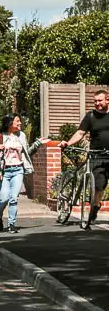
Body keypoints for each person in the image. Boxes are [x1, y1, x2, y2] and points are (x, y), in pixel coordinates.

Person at [0, 114, 47, 234]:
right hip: (4, 171)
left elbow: (26, 152)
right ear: (10, 123)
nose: (20, 123)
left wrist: (37, 144)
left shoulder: (21, 136)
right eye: (17, 121)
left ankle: (11, 225)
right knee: (4, 198)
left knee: (13, 198)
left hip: (18, 170)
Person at [60, 90, 109, 229]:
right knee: (99, 187)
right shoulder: (91, 116)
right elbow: (80, 132)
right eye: (95, 101)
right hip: (96, 155)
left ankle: (94, 207)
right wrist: (68, 143)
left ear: (107, 100)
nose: (97, 104)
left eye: (100, 101)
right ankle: (95, 208)